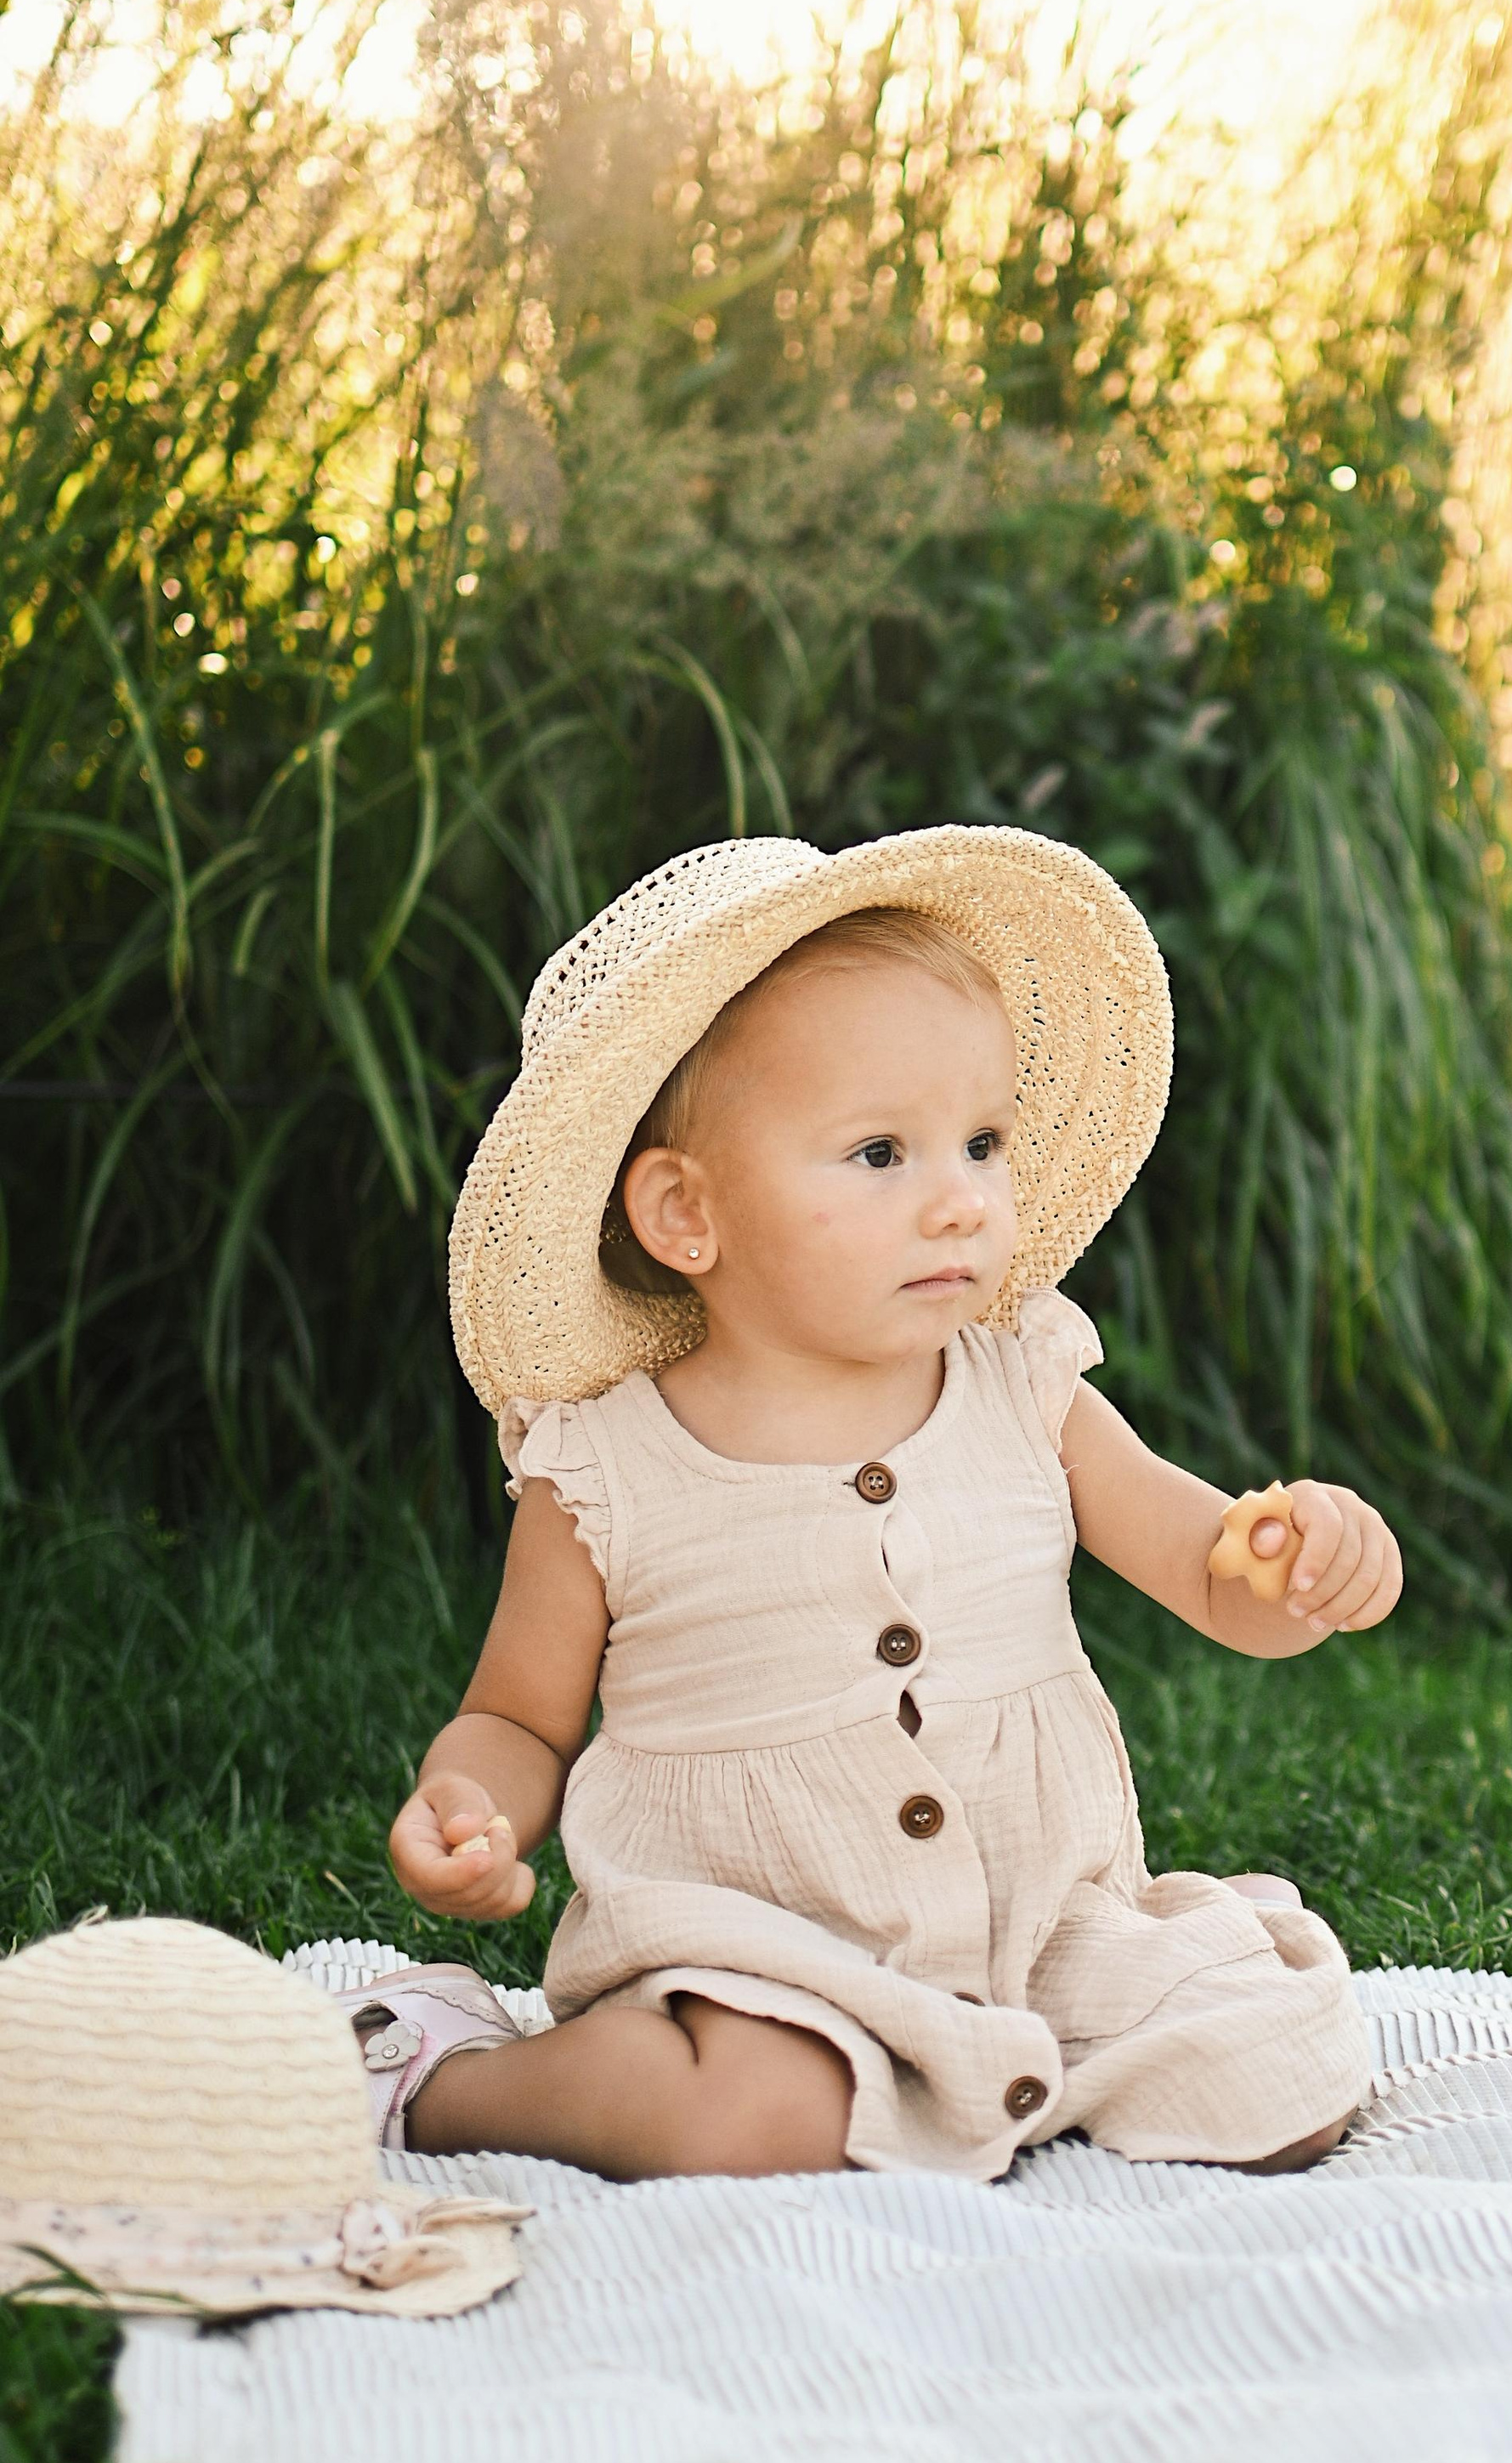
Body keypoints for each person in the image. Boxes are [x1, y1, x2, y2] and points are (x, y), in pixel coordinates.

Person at [340, 827, 1400, 2183]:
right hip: (755, 1955)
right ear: (686, 1214)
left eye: (981, 1141)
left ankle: (994, 2065)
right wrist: (467, 1808)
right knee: (750, 2117)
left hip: (1042, 1924)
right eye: (881, 1154)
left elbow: (1206, 1567)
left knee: (1279, 2074)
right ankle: (455, 2080)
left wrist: (1289, 1566)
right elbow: (517, 1718)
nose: (959, 1201)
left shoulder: (1026, 1386)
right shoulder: (605, 1470)